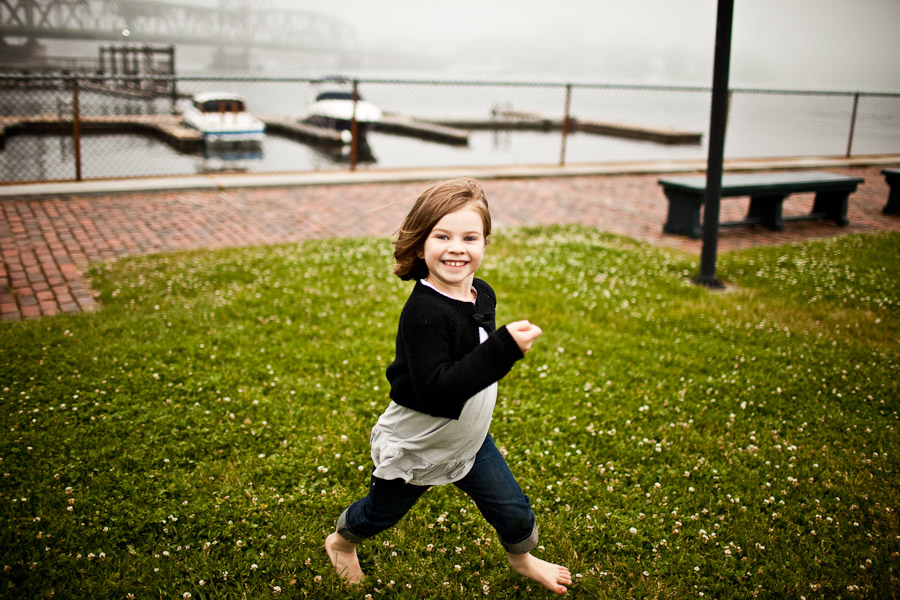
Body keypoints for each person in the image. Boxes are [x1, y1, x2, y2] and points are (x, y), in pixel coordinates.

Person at [325, 176, 572, 594]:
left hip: (469, 439)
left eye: (469, 237)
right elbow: (437, 390)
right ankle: (341, 543)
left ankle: (523, 559)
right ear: (421, 244)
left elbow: (471, 362)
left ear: (485, 244)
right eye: (443, 235)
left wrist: (496, 350)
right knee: (379, 515)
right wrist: (503, 349)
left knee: (513, 511)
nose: (457, 247)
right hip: (419, 442)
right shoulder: (423, 314)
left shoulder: (482, 295)